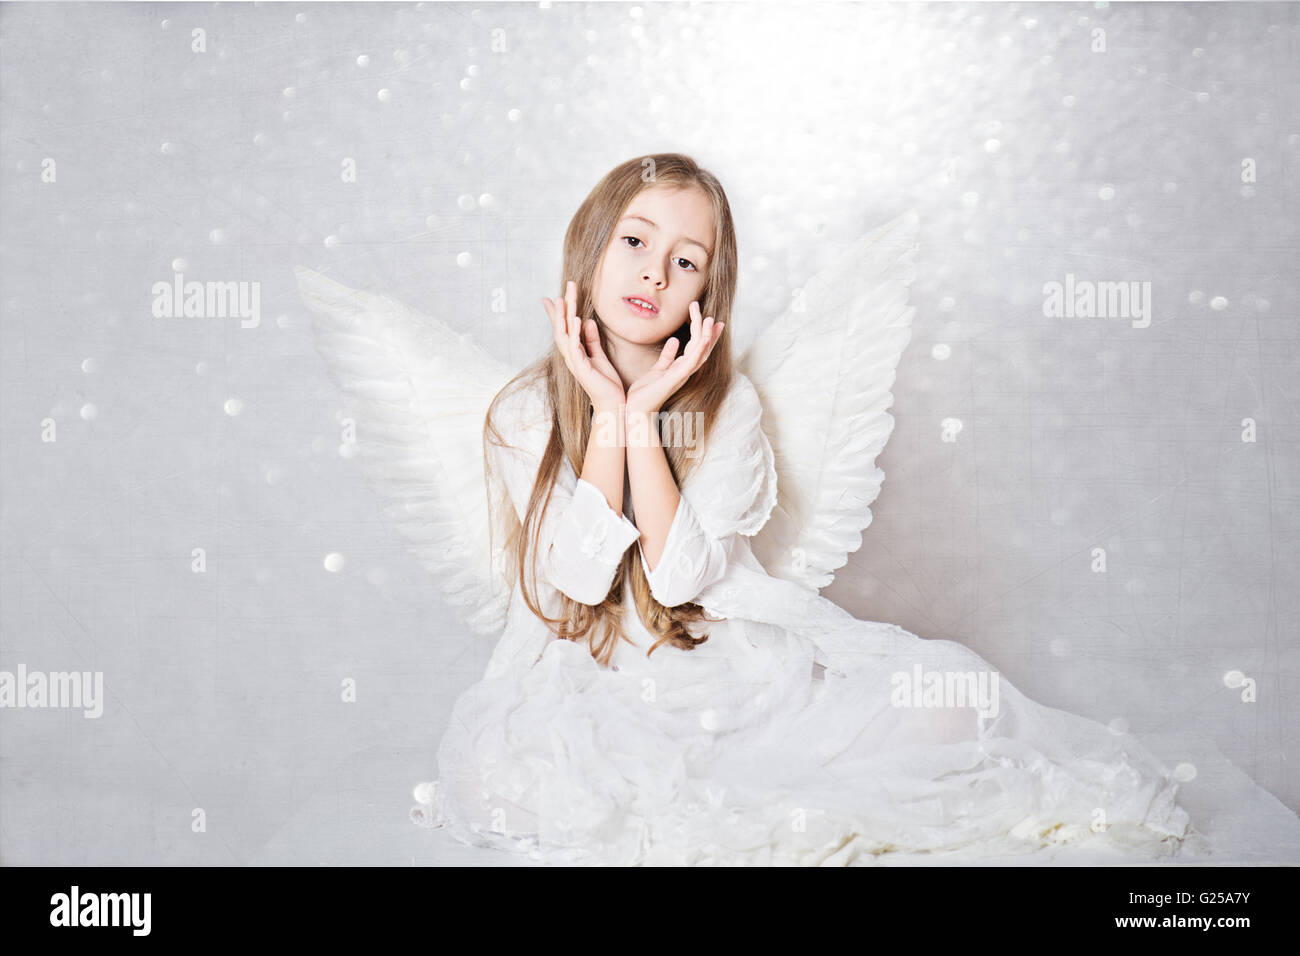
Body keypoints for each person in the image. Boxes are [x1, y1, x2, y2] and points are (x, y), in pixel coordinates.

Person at [415, 153, 1203, 866]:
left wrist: (638, 417)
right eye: (635, 243)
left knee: (952, 700)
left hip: (717, 665)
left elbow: (681, 572)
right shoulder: (523, 413)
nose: (654, 274)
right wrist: (607, 413)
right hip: (594, 675)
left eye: (684, 262)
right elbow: (580, 577)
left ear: (703, 295)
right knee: (499, 778)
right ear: (589, 246)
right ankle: (729, 786)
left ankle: (760, 777)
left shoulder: (727, 406)